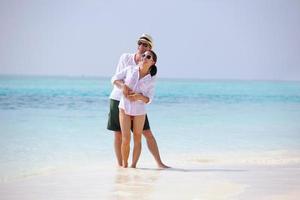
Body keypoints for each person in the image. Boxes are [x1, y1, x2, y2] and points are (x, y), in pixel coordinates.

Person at [107, 34, 169, 168]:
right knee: (119, 135)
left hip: (137, 105)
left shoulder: (150, 69)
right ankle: (121, 165)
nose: (141, 47)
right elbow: (118, 78)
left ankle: (159, 163)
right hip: (118, 98)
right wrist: (124, 88)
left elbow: (149, 94)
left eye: (145, 45)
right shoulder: (126, 58)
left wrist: (138, 96)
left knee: (146, 133)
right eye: (140, 43)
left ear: (150, 49)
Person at [111, 50, 157, 168]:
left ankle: (133, 166)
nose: (144, 57)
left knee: (137, 137)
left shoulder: (151, 79)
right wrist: (123, 86)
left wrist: (139, 97)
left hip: (139, 110)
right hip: (124, 107)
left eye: (148, 57)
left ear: (153, 62)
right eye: (143, 55)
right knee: (126, 138)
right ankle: (124, 166)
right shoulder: (130, 69)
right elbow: (114, 79)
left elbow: (149, 99)